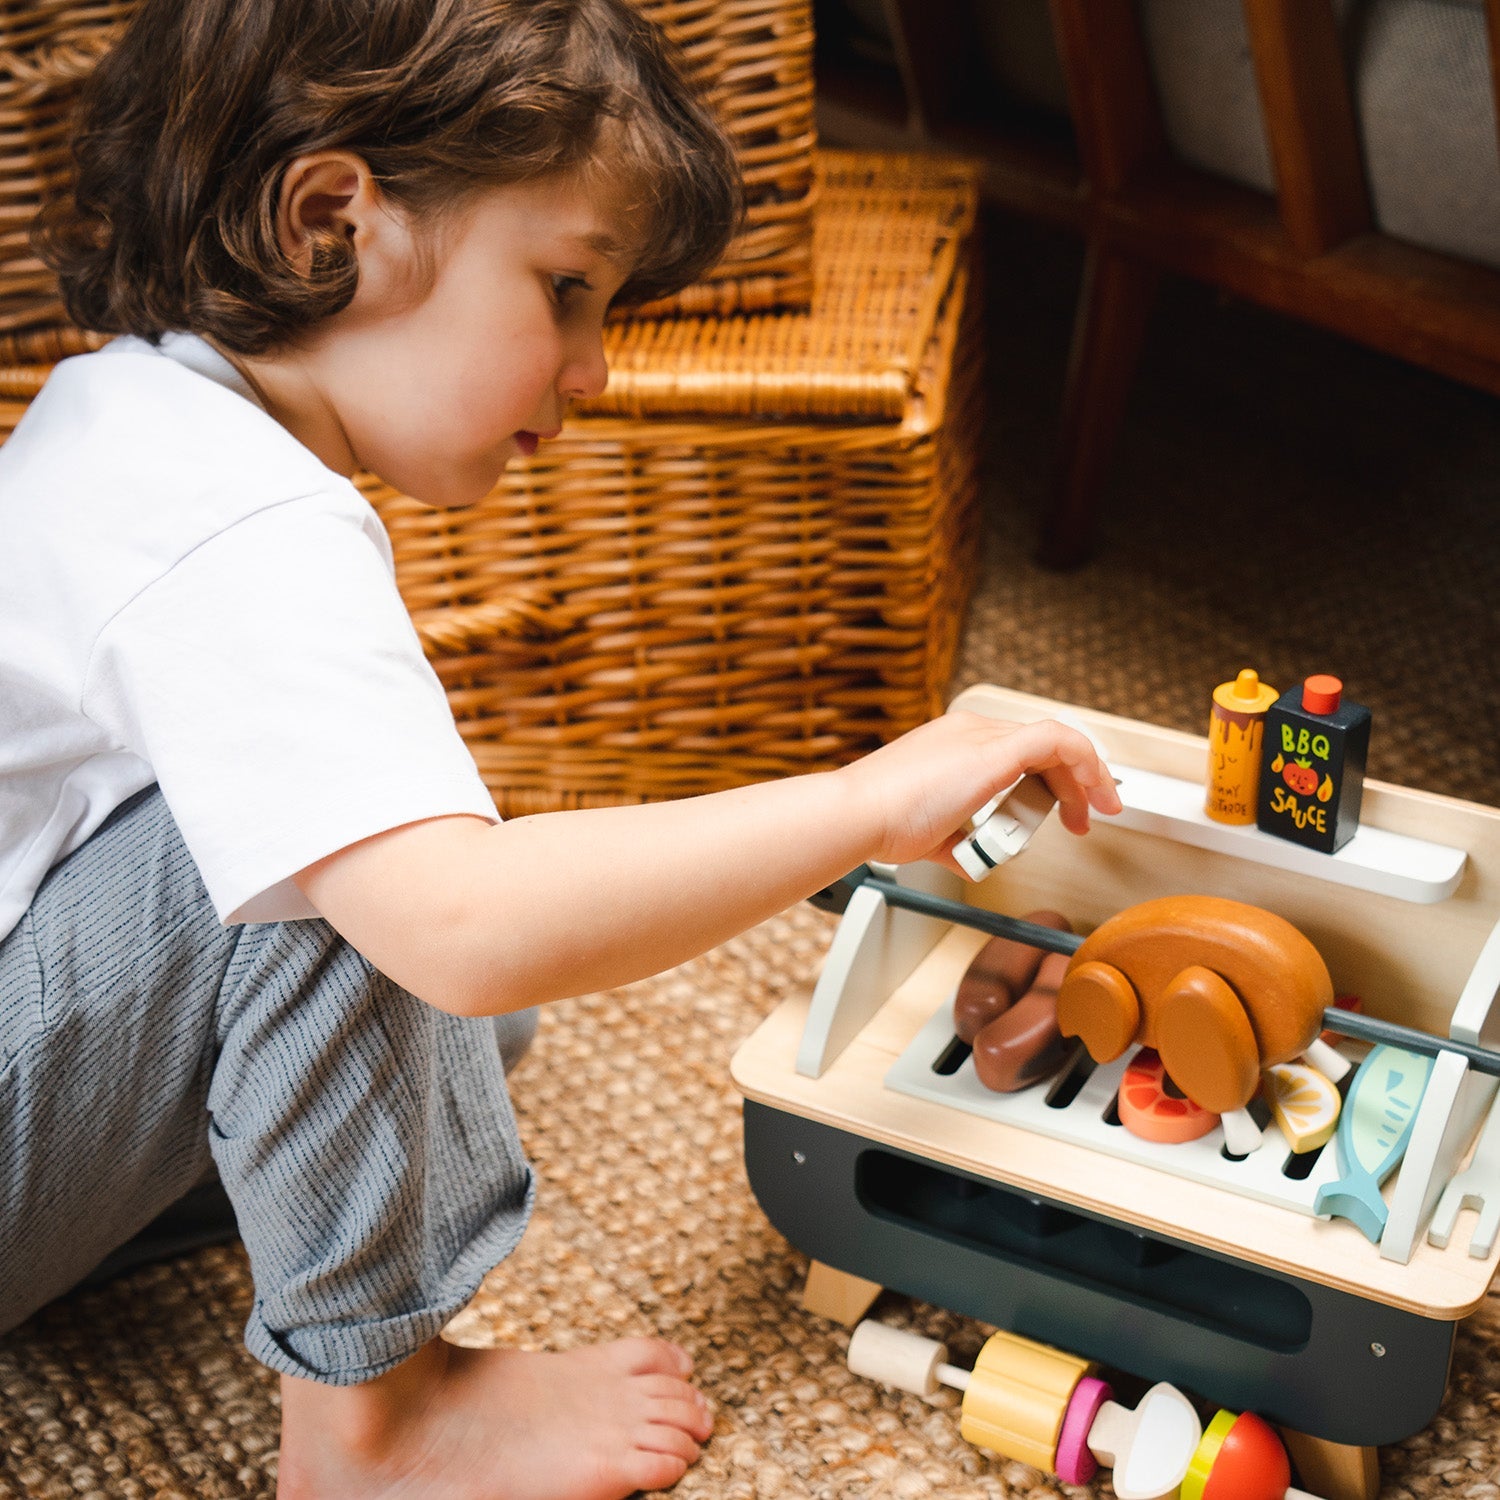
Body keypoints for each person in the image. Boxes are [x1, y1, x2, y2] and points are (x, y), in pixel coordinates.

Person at [0, 0, 1123, 1495]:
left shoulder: (119, 409)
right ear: (336, 219)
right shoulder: (241, 525)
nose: (592, 371)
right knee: (371, 905)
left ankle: (295, 1198)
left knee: (461, 1038)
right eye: (569, 287)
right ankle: (376, 1429)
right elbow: (458, 929)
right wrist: (864, 799)